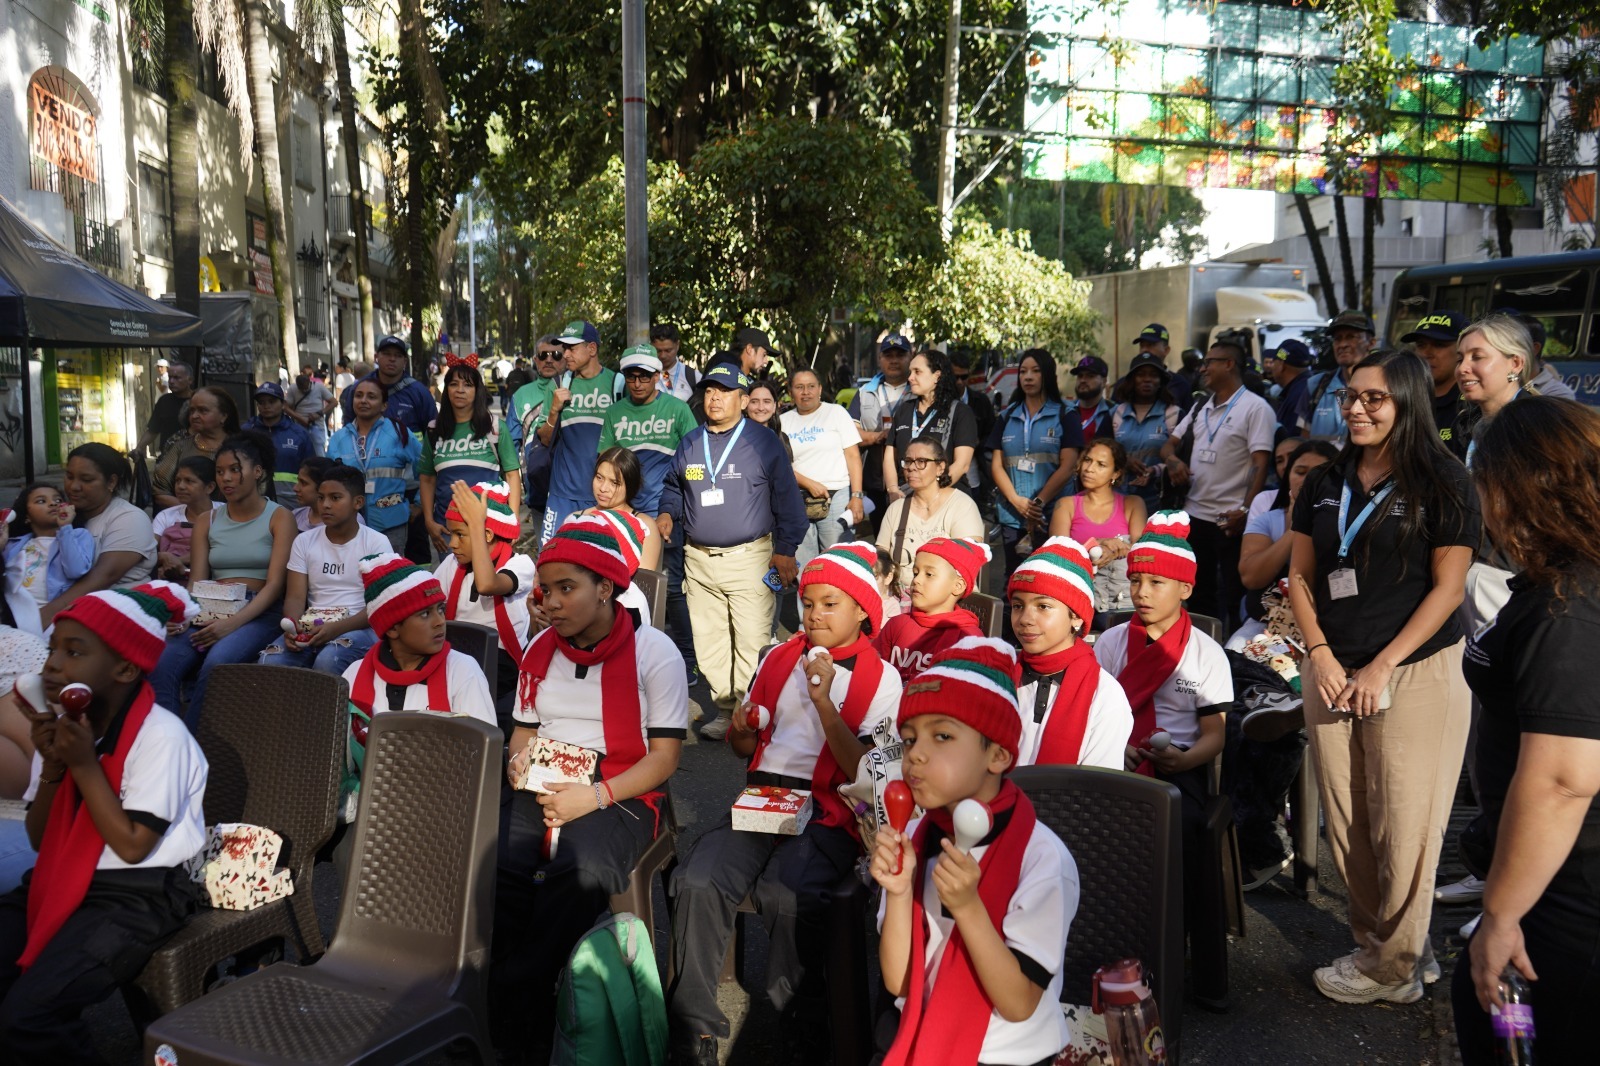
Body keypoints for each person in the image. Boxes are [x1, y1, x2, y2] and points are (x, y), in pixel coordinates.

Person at [1286, 349, 1479, 1004]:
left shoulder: (1445, 480)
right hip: (1331, 667)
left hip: (1415, 671)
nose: (1357, 408)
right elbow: (1300, 575)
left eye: (1374, 398)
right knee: (1347, 821)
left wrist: (1382, 666)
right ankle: (1384, 947)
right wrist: (1318, 654)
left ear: (1407, 401)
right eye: (1350, 396)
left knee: (1405, 821)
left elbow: (1449, 589)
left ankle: (1393, 968)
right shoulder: (1324, 479)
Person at [668, 543, 901, 1065]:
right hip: (764, 797)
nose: (814, 615)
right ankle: (694, 1024)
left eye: (829, 604)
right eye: (808, 602)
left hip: (831, 808)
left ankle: (799, 1021)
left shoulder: (881, 679)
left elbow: (865, 772)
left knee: (788, 893)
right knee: (698, 880)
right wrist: (743, 727)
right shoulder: (779, 656)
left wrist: (824, 702)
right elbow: (743, 750)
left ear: (863, 610)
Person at [495, 514, 686, 1047]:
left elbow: (665, 758)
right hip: (546, 777)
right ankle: (517, 997)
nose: (551, 603)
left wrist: (593, 797)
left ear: (605, 588)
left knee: (581, 870)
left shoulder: (654, 652)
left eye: (567, 589)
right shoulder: (539, 651)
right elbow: (522, 734)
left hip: (623, 784)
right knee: (504, 868)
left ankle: (522, 985)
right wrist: (519, 765)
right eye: (546, 591)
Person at [1451, 397, 1600, 1064]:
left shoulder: (1571, 607)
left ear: (1518, 486)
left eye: (1483, 478)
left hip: (1566, 906)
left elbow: (1563, 780)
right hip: (1546, 887)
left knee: (1513, 1040)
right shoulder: (1558, 583)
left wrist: (1504, 916)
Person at [0, 582, 206, 1060]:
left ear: (125, 668)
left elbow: (134, 845)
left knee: (28, 1017)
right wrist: (53, 766)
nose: (52, 664)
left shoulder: (162, 737)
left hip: (138, 895)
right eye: (53, 648)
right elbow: (38, 837)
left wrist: (84, 767)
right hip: (59, 874)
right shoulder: (67, 727)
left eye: (74, 652)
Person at [872, 637, 1077, 1066]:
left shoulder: (1042, 859)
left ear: (998, 755)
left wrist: (968, 907)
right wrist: (898, 891)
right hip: (921, 1026)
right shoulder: (915, 835)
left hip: (1009, 1055)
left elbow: (1019, 1004)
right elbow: (899, 983)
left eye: (942, 736)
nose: (916, 757)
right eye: (909, 740)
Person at [1095, 512, 1234, 1003]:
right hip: (1118, 761)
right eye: (1135, 580)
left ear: (1186, 589)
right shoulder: (1110, 643)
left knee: (1185, 831)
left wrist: (1185, 759)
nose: (1142, 592)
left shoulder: (1204, 653)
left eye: (1157, 581)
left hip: (1181, 768)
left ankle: (1183, 960)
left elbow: (1215, 735)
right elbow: (1096, 712)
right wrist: (1120, 749)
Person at [659, 365, 806, 741]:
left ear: (742, 400)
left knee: (752, 640)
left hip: (751, 558)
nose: (715, 398)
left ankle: (750, 715)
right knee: (709, 642)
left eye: (725, 392)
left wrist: (786, 550)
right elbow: (674, 485)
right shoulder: (692, 442)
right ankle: (726, 711)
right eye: (710, 391)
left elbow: (788, 500)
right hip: (698, 559)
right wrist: (665, 513)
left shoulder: (763, 442)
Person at [152, 431, 298, 727]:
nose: (226, 479)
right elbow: (197, 584)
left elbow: (275, 586)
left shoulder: (280, 517)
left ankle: (195, 747)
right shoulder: (207, 520)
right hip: (208, 607)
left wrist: (231, 624)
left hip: (259, 610)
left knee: (218, 663)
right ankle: (166, 741)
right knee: (161, 661)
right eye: (220, 472)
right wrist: (184, 614)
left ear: (257, 472)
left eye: (234, 470)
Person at [1160, 340, 1275, 630]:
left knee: (1234, 594)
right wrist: (1174, 462)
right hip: (1194, 515)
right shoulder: (1201, 405)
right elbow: (1168, 446)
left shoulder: (1255, 408)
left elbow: (1260, 463)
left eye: (1210, 361)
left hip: (1230, 519)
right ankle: (1201, 650)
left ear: (1229, 364)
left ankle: (1235, 658)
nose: (1203, 367)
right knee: (1198, 592)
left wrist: (1247, 509)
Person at [1007, 536, 1133, 769]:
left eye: (1043, 606)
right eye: (1017, 606)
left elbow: (1096, 788)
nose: (1025, 619)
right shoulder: (998, 676)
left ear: (1076, 616)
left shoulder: (1105, 696)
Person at [259, 464, 390, 677]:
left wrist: (336, 629)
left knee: (329, 659)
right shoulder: (304, 541)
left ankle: (330, 710)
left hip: (361, 629)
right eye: (321, 498)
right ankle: (287, 710)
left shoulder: (376, 543)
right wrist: (293, 628)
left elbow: (378, 606)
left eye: (335, 498)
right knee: (269, 659)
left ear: (358, 502)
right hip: (314, 627)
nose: (325, 505)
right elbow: (294, 598)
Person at [437, 480, 534, 732]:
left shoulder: (519, 565)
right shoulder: (451, 566)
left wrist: (477, 526)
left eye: (460, 535)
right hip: (456, 656)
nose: (452, 544)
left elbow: (487, 584)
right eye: (451, 534)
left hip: (500, 668)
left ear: (486, 534)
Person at [1232, 440, 1339, 649]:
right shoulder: (1268, 520)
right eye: (1300, 471)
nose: (1308, 479)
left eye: (1319, 472)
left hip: (1328, 631)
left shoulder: (1349, 523)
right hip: (1266, 627)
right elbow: (1251, 578)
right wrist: (1297, 524)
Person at [990, 348, 1084, 575]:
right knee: (1014, 577)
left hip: (1053, 514)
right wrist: (1016, 501)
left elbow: (1069, 465)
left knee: (1053, 575)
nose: (1028, 377)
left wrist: (1037, 504)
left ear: (1048, 375)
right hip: (1013, 514)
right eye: (1023, 372)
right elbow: (996, 464)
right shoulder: (1007, 416)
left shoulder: (1066, 414)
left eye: (1035, 371)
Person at [43, 446, 159, 626]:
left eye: (86, 479)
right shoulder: (65, 515)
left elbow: (103, 577)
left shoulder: (129, 518)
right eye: (69, 476)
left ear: (111, 482)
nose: (73, 486)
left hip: (116, 617)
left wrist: (40, 617)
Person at [419, 354, 521, 555]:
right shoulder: (434, 430)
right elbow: (427, 479)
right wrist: (429, 522)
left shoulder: (495, 428)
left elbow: (512, 475)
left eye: (467, 385)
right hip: (448, 530)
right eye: (454, 384)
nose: (460, 390)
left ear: (477, 390)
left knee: (487, 585)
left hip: (490, 528)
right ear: (446, 389)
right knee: (453, 585)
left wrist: (513, 520)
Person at [538, 321, 618, 542]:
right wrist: (554, 410)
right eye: (564, 348)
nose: (565, 354)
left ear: (591, 349)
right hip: (562, 495)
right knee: (550, 560)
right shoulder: (557, 384)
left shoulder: (617, 383)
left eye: (571, 348)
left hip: (603, 495)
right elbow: (545, 440)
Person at [598, 344, 698, 519]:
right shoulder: (613, 412)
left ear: (656, 376)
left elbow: (696, 456)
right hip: (624, 509)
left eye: (644, 377)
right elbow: (605, 460)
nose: (637, 384)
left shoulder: (678, 409)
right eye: (631, 377)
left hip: (667, 510)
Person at [1051, 439, 1148, 617]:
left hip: (1123, 600)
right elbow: (1057, 555)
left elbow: (1142, 553)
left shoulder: (1133, 504)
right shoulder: (1065, 505)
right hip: (1077, 599)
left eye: (1101, 464)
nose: (1089, 469)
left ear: (1116, 473)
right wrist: (1100, 544)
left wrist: (1115, 548)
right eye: (1087, 460)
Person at [327, 377, 424, 554]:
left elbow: (426, 468)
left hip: (391, 522)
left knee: (388, 575)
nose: (363, 400)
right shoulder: (339, 439)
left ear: (384, 405)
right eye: (359, 396)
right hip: (349, 523)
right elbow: (328, 482)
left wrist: (419, 504)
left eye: (371, 397)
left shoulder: (399, 433)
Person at [877, 438, 986, 592]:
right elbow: (880, 556)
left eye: (921, 461)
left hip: (948, 601)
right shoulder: (896, 509)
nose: (912, 468)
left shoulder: (962, 506)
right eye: (908, 461)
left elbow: (966, 563)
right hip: (899, 599)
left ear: (940, 467)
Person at [781, 367, 866, 566]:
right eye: (799, 387)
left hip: (837, 498)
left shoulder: (836, 413)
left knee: (839, 563)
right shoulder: (783, 421)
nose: (805, 392)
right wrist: (807, 483)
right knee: (804, 567)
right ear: (791, 391)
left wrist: (857, 496)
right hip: (798, 500)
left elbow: (853, 456)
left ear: (820, 389)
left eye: (811, 386)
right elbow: (782, 466)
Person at [872, 537, 986, 681]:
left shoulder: (968, 638)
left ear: (958, 586)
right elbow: (874, 671)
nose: (916, 580)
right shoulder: (897, 624)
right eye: (915, 573)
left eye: (929, 574)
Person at [884, 350, 978, 502]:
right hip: (906, 499)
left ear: (937, 376)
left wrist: (928, 493)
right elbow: (889, 456)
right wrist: (893, 490)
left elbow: (962, 465)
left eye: (917, 372)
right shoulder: (904, 410)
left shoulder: (960, 412)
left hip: (946, 499)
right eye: (910, 372)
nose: (910, 378)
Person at [3, 484, 95, 636]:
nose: (53, 504)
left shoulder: (77, 535)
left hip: (52, 620)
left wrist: (65, 528)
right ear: (27, 516)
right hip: (14, 616)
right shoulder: (15, 544)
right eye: (41, 501)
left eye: (58, 500)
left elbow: (76, 570)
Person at [1458, 312, 1537, 468]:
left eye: (1477, 357)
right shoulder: (1462, 423)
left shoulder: (1535, 426)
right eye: (1459, 359)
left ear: (1515, 364)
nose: (1462, 368)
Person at [850, 334, 914, 526]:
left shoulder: (919, 389)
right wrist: (879, 436)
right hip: (875, 481)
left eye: (900, 355)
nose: (894, 360)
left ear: (910, 357)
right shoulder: (864, 392)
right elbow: (851, 434)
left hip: (912, 481)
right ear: (880, 359)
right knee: (881, 538)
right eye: (888, 355)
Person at [151, 386, 241, 510]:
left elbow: (257, 491)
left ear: (223, 416)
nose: (194, 416)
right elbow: (160, 491)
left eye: (203, 410)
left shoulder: (242, 448)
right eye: (192, 411)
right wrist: (194, 512)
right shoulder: (180, 447)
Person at [1112, 350, 1181, 509]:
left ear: (1161, 381)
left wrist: (1156, 471)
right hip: (1119, 499)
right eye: (1141, 374)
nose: (1147, 379)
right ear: (1132, 380)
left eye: (1153, 375)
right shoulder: (1117, 413)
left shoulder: (1173, 414)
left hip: (1158, 501)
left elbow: (1182, 460)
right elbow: (1102, 449)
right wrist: (1124, 461)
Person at [1400, 310, 1471, 459]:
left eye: (1439, 345)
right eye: (1421, 345)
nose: (1427, 353)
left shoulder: (1471, 406)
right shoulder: (1403, 398)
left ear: (1461, 350)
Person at [1300, 311, 1377, 441]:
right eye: (1337, 338)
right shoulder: (1315, 386)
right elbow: (1304, 439)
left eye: (1351, 337)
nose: (1342, 345)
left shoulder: (1385, 387)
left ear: (1371, 343)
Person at [240, 382, 314, 509]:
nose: (266, 406)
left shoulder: (299, 434)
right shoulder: (246, 432)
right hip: (254, 503)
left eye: (272, 401)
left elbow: (312, 470)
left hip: (292, 504)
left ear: (283, 404)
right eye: (262, 402)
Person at [153, 456, 220, 582]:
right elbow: (148, 552)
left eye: (189, 481)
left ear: (209, 487)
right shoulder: (166, 516)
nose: (180, 486)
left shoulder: (224, 513)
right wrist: (164, 556)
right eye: (178, 480)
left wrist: (179, 560)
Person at [1503, 308, 1577, 401]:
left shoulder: (1558, 394)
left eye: (1511, 345)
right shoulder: (1503, 383)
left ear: (1534, 349)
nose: (1503, 352)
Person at [507, 334, 564, 452]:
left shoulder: (577, 389)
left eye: (556, 355)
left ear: (566, 358)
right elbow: (511, 446)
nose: (548, 360)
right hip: (531, 468)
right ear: (535, 360)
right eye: (543, 355)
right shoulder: (520, 395)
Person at [138, 360, 193, 455]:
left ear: (190, 380)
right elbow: (153, 430)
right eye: (170, 377)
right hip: (167, 456)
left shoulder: (198, 401)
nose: (171, 381)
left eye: (177, 378)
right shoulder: (164, 401)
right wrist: (139, 448)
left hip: (192, 456)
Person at [1264, 339, 1315, 438]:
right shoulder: (1310, 386)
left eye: (1273, 362)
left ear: (1281, 365)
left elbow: (1292, 439)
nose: (1271, 367)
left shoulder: (1298, 395)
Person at [286, 371, 336, 456]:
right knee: (300, 451)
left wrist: (320, 413)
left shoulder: (319, 387)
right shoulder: (292, 389)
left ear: (310, 382)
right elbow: (286, 407)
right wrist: (300, 418)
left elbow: (334, 402)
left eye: (306, 388)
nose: (304, 391)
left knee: (319, 452)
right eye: (301, 389)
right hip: (299, 425)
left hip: (316, 425)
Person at [1067, 356, 1114, 441]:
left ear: (1104, 381)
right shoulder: (1065, 411)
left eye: (1090, 376)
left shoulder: (1114, 413)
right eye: (1080, 376)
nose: (1083, 380)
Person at [651, 323, 699, 402]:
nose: (663, 356)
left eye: (668, 350)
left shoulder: (693, 377)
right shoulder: (644, 376)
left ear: (677, 345)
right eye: (658, 351)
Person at [290, 456, 336, 531]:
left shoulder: (347, 522)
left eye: (303, 483)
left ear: (323, 486)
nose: (295, 488)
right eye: (298, 481)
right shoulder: (295, 516)